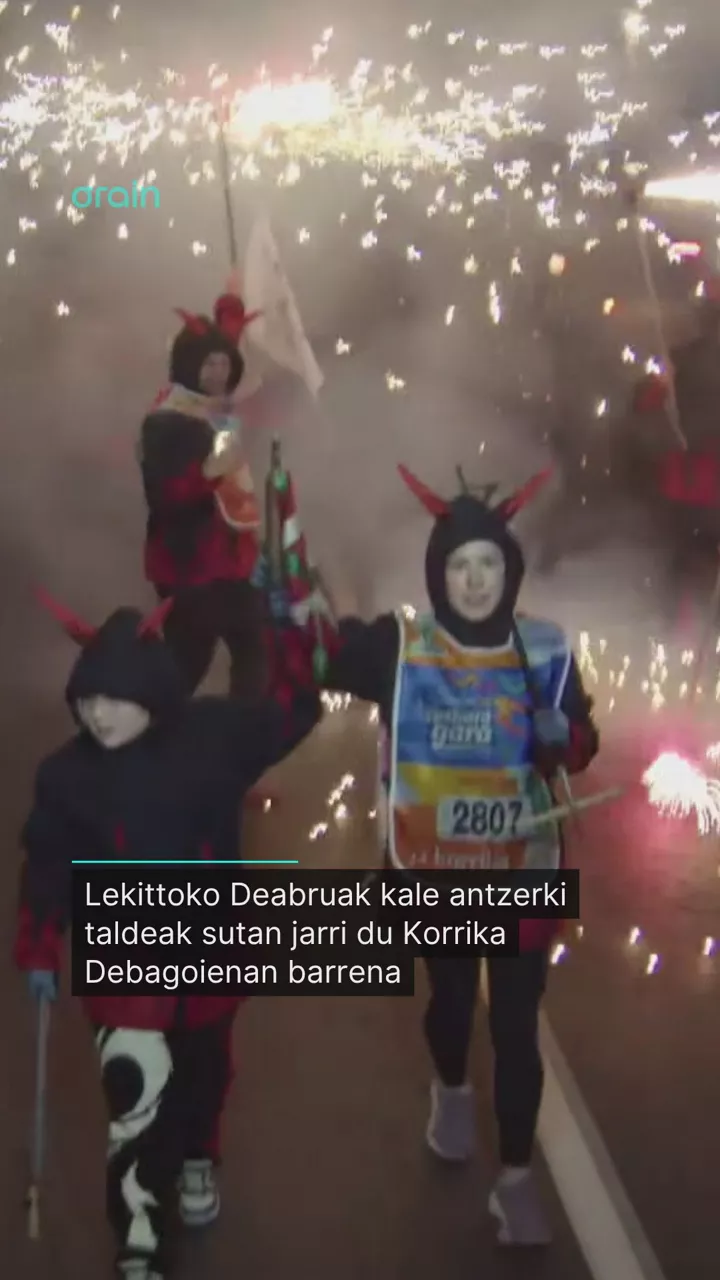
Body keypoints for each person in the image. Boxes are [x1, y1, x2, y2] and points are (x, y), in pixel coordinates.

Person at [319, 464, 599, 1245]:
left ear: (509, 571)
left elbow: (583, 743)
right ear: (438, 574)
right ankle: (450, 1089)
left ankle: (516, 1179)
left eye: (489, 564)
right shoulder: (402, 647)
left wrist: (566, 739)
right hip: (436, 872)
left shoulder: (545, 648)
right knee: (448, 1005)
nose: (475, 581)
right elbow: (322, 657)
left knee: (515, 1025)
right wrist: (293, 605)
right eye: (459, 566)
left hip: (521, 873)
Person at [14, 587, 323, 1280]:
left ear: (151, 692)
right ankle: (141, 1245)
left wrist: (293, 629)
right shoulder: (66, 776)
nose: (98, 714)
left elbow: (294, 711)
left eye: (114, 698)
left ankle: (198, 1156)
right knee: (137, 1109)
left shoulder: (215, 738)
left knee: (203, 1079)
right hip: (125, 983)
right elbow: (48, 864)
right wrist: (38, 945)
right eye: (87, 700)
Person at [139, 285, 267, 700]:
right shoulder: (166, 422)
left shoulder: (221, 414)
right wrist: (207, 474)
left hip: (231, 564)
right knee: (187, 662)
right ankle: (152, 724)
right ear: (189, 364)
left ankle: (243, 727)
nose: (218, 373)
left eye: (224, 363)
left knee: (257, 646)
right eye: (209, 363)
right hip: (189, 565)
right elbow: (163, 497)